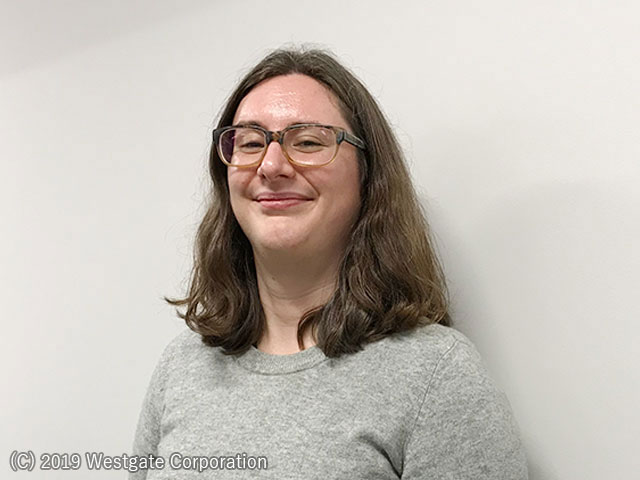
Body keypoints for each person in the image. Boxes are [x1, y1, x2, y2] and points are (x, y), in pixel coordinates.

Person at [130, 47, 528, 479]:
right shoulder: (182, 366)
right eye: (250, 143)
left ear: (367, 176)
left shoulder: (436, 374)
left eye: (307, 142)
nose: (271, 165)